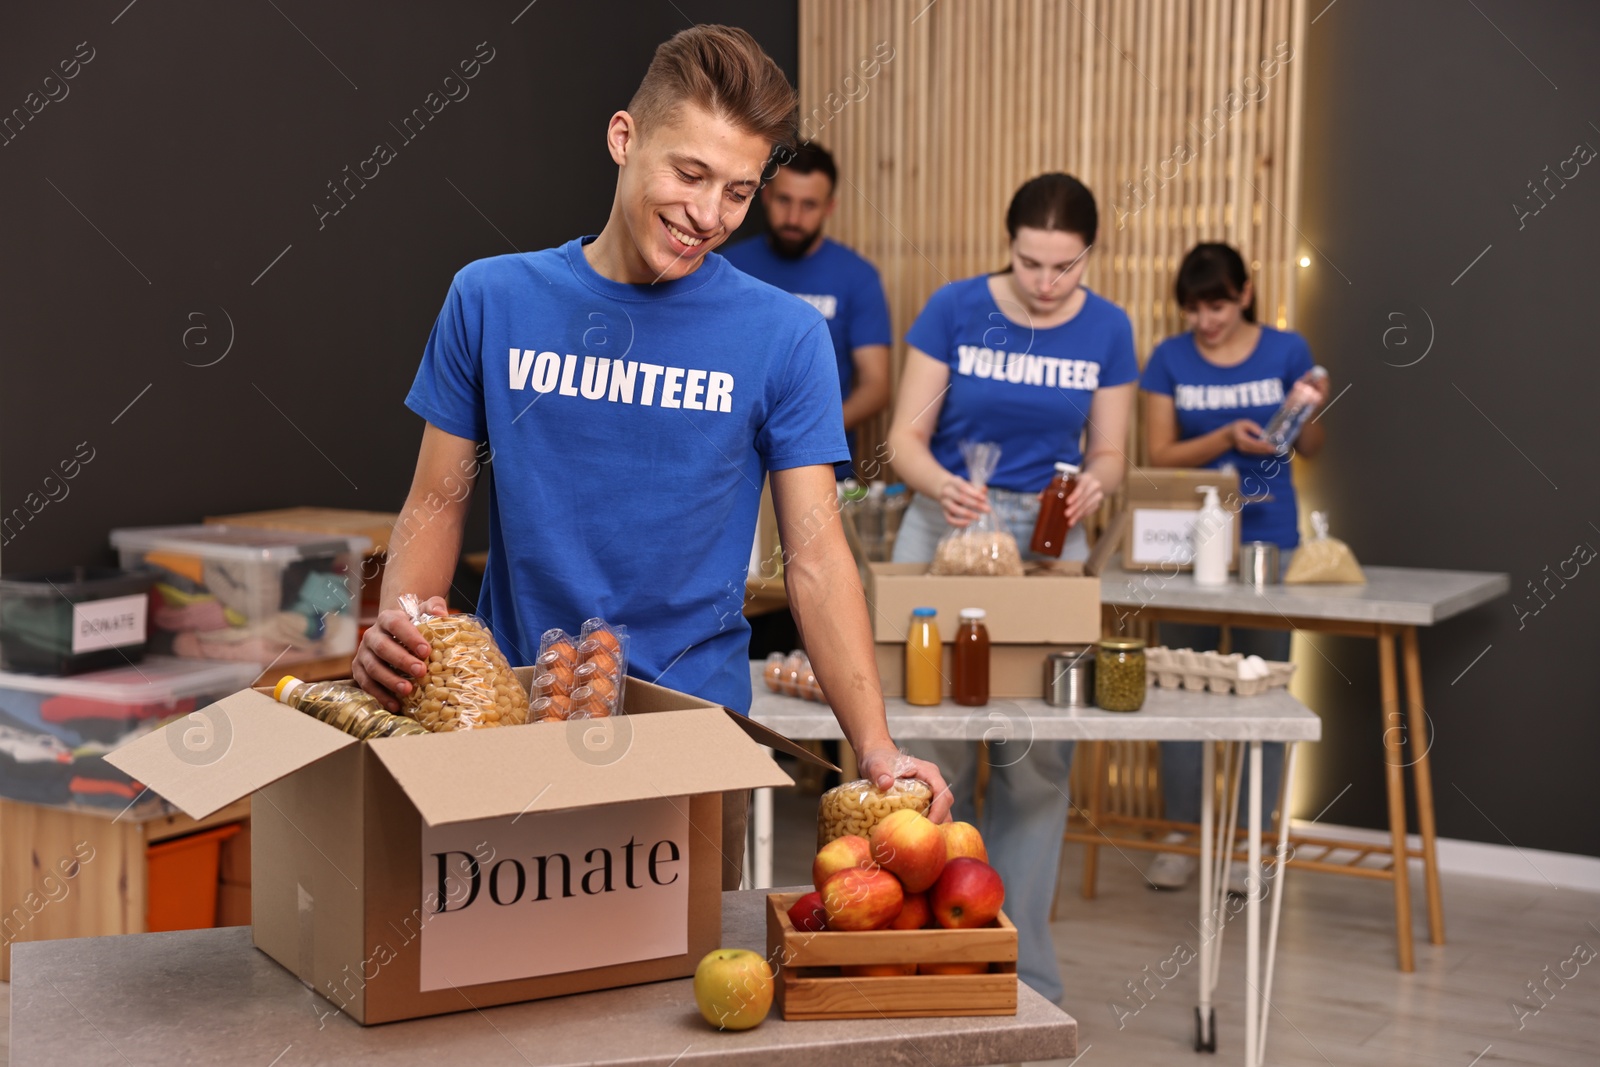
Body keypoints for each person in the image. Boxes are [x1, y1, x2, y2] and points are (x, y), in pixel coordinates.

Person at [351, 25, 951, 891]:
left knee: (683, 1009)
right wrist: (403, 628)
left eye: (740, 191)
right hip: (521, 722)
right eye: (691, 174)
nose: (709, 216)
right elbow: (437, 502)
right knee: (511, 1002)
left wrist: (877, 746)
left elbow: (817, 555)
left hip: (697, 740)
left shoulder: (783, 336)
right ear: (624, 138)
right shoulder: (491, 298)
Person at [885, 172, 1136, 1005]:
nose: (1045, 283)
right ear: (1010, 245)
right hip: (950, 519)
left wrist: (1098, 483)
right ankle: (930, 964)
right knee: (934, 750)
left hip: (1050, 538)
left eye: (1065, 268)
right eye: (1031, 263)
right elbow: (905, 440)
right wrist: (941, 482)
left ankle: (1025, 977)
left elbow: (1107, 453)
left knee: (1034, 762)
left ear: (1089, 258)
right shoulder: (955, 308)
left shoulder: (1108, 328)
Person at [1138, 242, 1330, 891]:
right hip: (1185, 543)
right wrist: (1223, 438)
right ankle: (1182, 837)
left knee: (1263, 693)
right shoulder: (1168, 358)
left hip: (1269, 545)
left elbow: (1312, 447)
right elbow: (1159, 454)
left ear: (1245, 293)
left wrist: (1307, 407)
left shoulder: (1287, 350)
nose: (1205, 320)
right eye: (1194, 308)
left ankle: (1252, 842)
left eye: (1216, 304)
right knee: (1179, 692)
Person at [722, 142, 892, 478]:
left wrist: (801, 432)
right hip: (732, 464)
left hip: (820, 468)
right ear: (766, 195)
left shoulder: (857, 277)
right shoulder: (727, 266)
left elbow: (876, 386)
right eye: (785, 200)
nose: (794, 218)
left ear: (829, 208)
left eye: (809, 205)